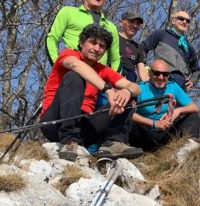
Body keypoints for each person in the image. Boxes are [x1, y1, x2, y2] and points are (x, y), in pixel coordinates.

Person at [40, 24, 142, 161]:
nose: (97, 49)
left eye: (102, 46)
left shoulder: (103, 69)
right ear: (82, 43)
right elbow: (76, 65)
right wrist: (108, 89)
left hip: (84, 126)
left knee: (128, 98)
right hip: (55, 122)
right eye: (92, 43)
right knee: (74, 76)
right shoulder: (68, 54)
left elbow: (136, 87)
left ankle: (113, 142)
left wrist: (127, 91)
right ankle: (68, 141)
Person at [129, 59, 200, 151]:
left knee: (193, 117)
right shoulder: (140, 88)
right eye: (156, 73)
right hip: (144, 134)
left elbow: (194, 107)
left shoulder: (173, 86)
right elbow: (128, 113)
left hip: (166, 134)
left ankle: (189, 150)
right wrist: (154, 124)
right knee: (127, 121)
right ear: (150, 73)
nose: (161, 77)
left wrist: (178, 111)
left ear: (169, 75)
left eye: (165, 74)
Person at [46, 0, 120, 71]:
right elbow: (51, 38)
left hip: (98, 78)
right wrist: (57, 64)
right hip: (72, 70)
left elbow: (116, 59)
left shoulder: (111, 27)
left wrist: (111, 81)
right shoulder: (68, 12)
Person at [141, 10, 200, 91]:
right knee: (160, 103)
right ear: (173, 20)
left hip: (181, 84)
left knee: (181, 104)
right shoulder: (161, 34)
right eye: (181, 19)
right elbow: (142, 48)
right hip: (161, 78)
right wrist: (144, 67)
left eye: (187, 21)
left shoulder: (189, 47)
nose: (184, 22)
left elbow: (196, 69)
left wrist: (193, 81)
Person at [117, 11, 148, 83]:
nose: (135, 26)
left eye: (137, 23)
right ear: (121, 22)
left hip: (129, 83)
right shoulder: (113, 37)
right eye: (131, 21)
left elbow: (143, 73)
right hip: (111, 78)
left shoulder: (138, 47)